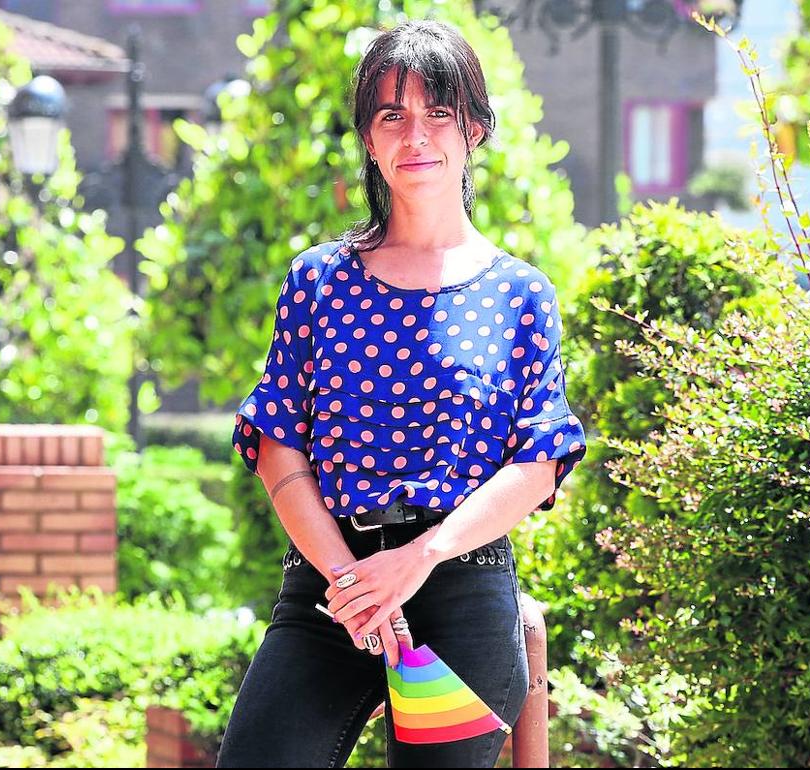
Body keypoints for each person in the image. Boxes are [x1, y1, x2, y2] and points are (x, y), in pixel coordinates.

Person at [217, 18, 587, 769]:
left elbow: (539, 461)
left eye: (438, 112)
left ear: (473, 129)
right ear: (368, 138)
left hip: (460, 588)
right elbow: (277, 444)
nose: (415, 135)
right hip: (330, 589)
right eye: (392, 114)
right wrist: (350, 579)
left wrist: (419, 558)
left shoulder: (520, 293)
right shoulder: (318, 280)